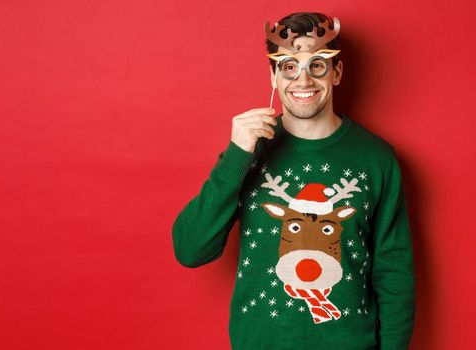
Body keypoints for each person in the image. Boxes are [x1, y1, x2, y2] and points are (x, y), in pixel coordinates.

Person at [171, 12, 415, 350]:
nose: (303, 81)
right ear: (273, 76)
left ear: (337, 73)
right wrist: (236, 155)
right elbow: (190, 249)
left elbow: (394, 273)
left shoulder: (376, 159)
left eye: (317, 65)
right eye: (288, 66)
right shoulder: (247, 153)